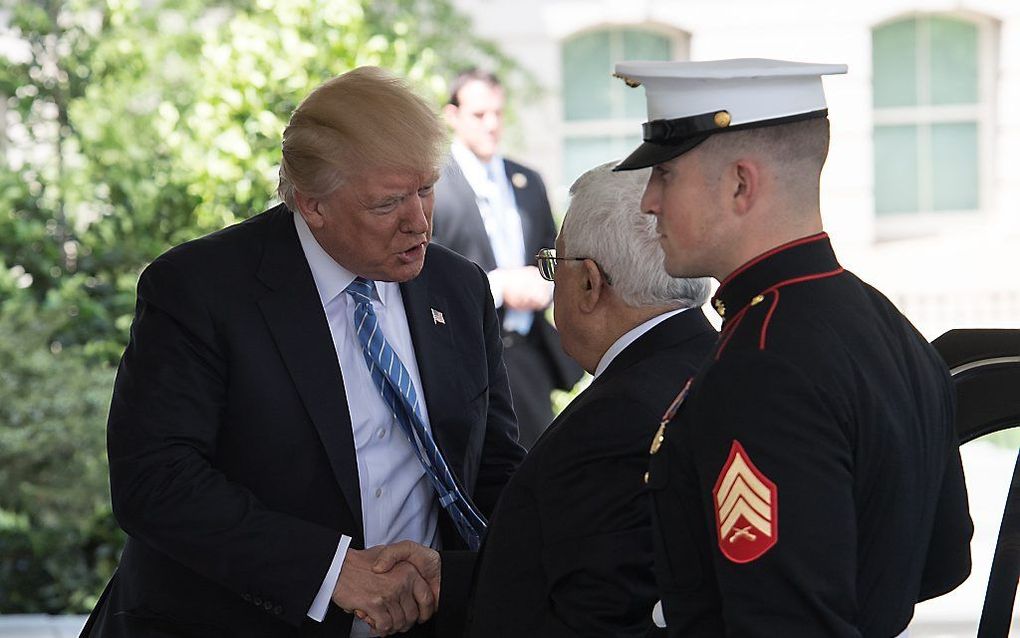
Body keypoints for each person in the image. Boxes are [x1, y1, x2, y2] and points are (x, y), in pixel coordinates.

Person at [81, 66, 525, 638]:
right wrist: (331, 572)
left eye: (425, 189)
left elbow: (491, 463)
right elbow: (155, 482)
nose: (418, 221)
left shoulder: (457, 287)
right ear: (313, 205)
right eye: (387, 203)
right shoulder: (200, 288)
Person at [612, 58, 973, 637]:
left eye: (666, 175)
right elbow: (943, 561)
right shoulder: (883, 321)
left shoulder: (764, 362)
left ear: (740, 183)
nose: (648, 200)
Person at [458, 161, 716, 636]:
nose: (552, 284)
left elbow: (599, 612)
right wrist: (448, 576)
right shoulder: (714, 361)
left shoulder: (616, 420)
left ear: (590, 284)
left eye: (553, 265)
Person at [431, 68, 582, 448]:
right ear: (453, 117)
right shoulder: (433, 187)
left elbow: (553, 254)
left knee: (537, 466)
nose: (492, 124)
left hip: (527, 354)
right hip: (463, 357)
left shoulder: (526, 180)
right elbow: (424, 273)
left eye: (498, 113)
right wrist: (497, 286)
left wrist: (543, 285)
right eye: (480, 115)